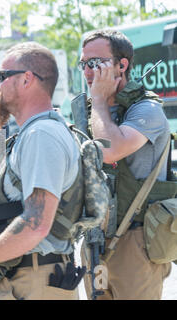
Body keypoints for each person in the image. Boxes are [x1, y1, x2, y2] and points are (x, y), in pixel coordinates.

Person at [0, 42, 84, 300]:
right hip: (28, 276)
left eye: (2, 76)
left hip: (36, 280)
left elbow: (36, 224)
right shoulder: (33, 133)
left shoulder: (42, 135)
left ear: (27, 80)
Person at [79, 29, 172, 300]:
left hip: (135, 238)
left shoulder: (146, 110)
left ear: (122, 65)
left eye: (96, 63)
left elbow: (111, 150)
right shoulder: (89, 114)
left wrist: (98, 99)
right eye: (84, 63)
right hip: (95, 236)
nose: (88, 71)